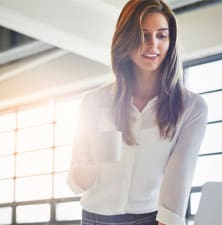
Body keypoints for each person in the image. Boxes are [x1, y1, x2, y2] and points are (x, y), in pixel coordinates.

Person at [67, 0, 208, 224]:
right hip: (94, 218)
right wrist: (90, 163)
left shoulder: (191, 107)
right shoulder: (93, 102)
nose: (153, 44)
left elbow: (178, 181)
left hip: (149, 219)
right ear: (126, 39)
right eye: (143, 35)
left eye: (162, 36)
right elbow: (76, 182)